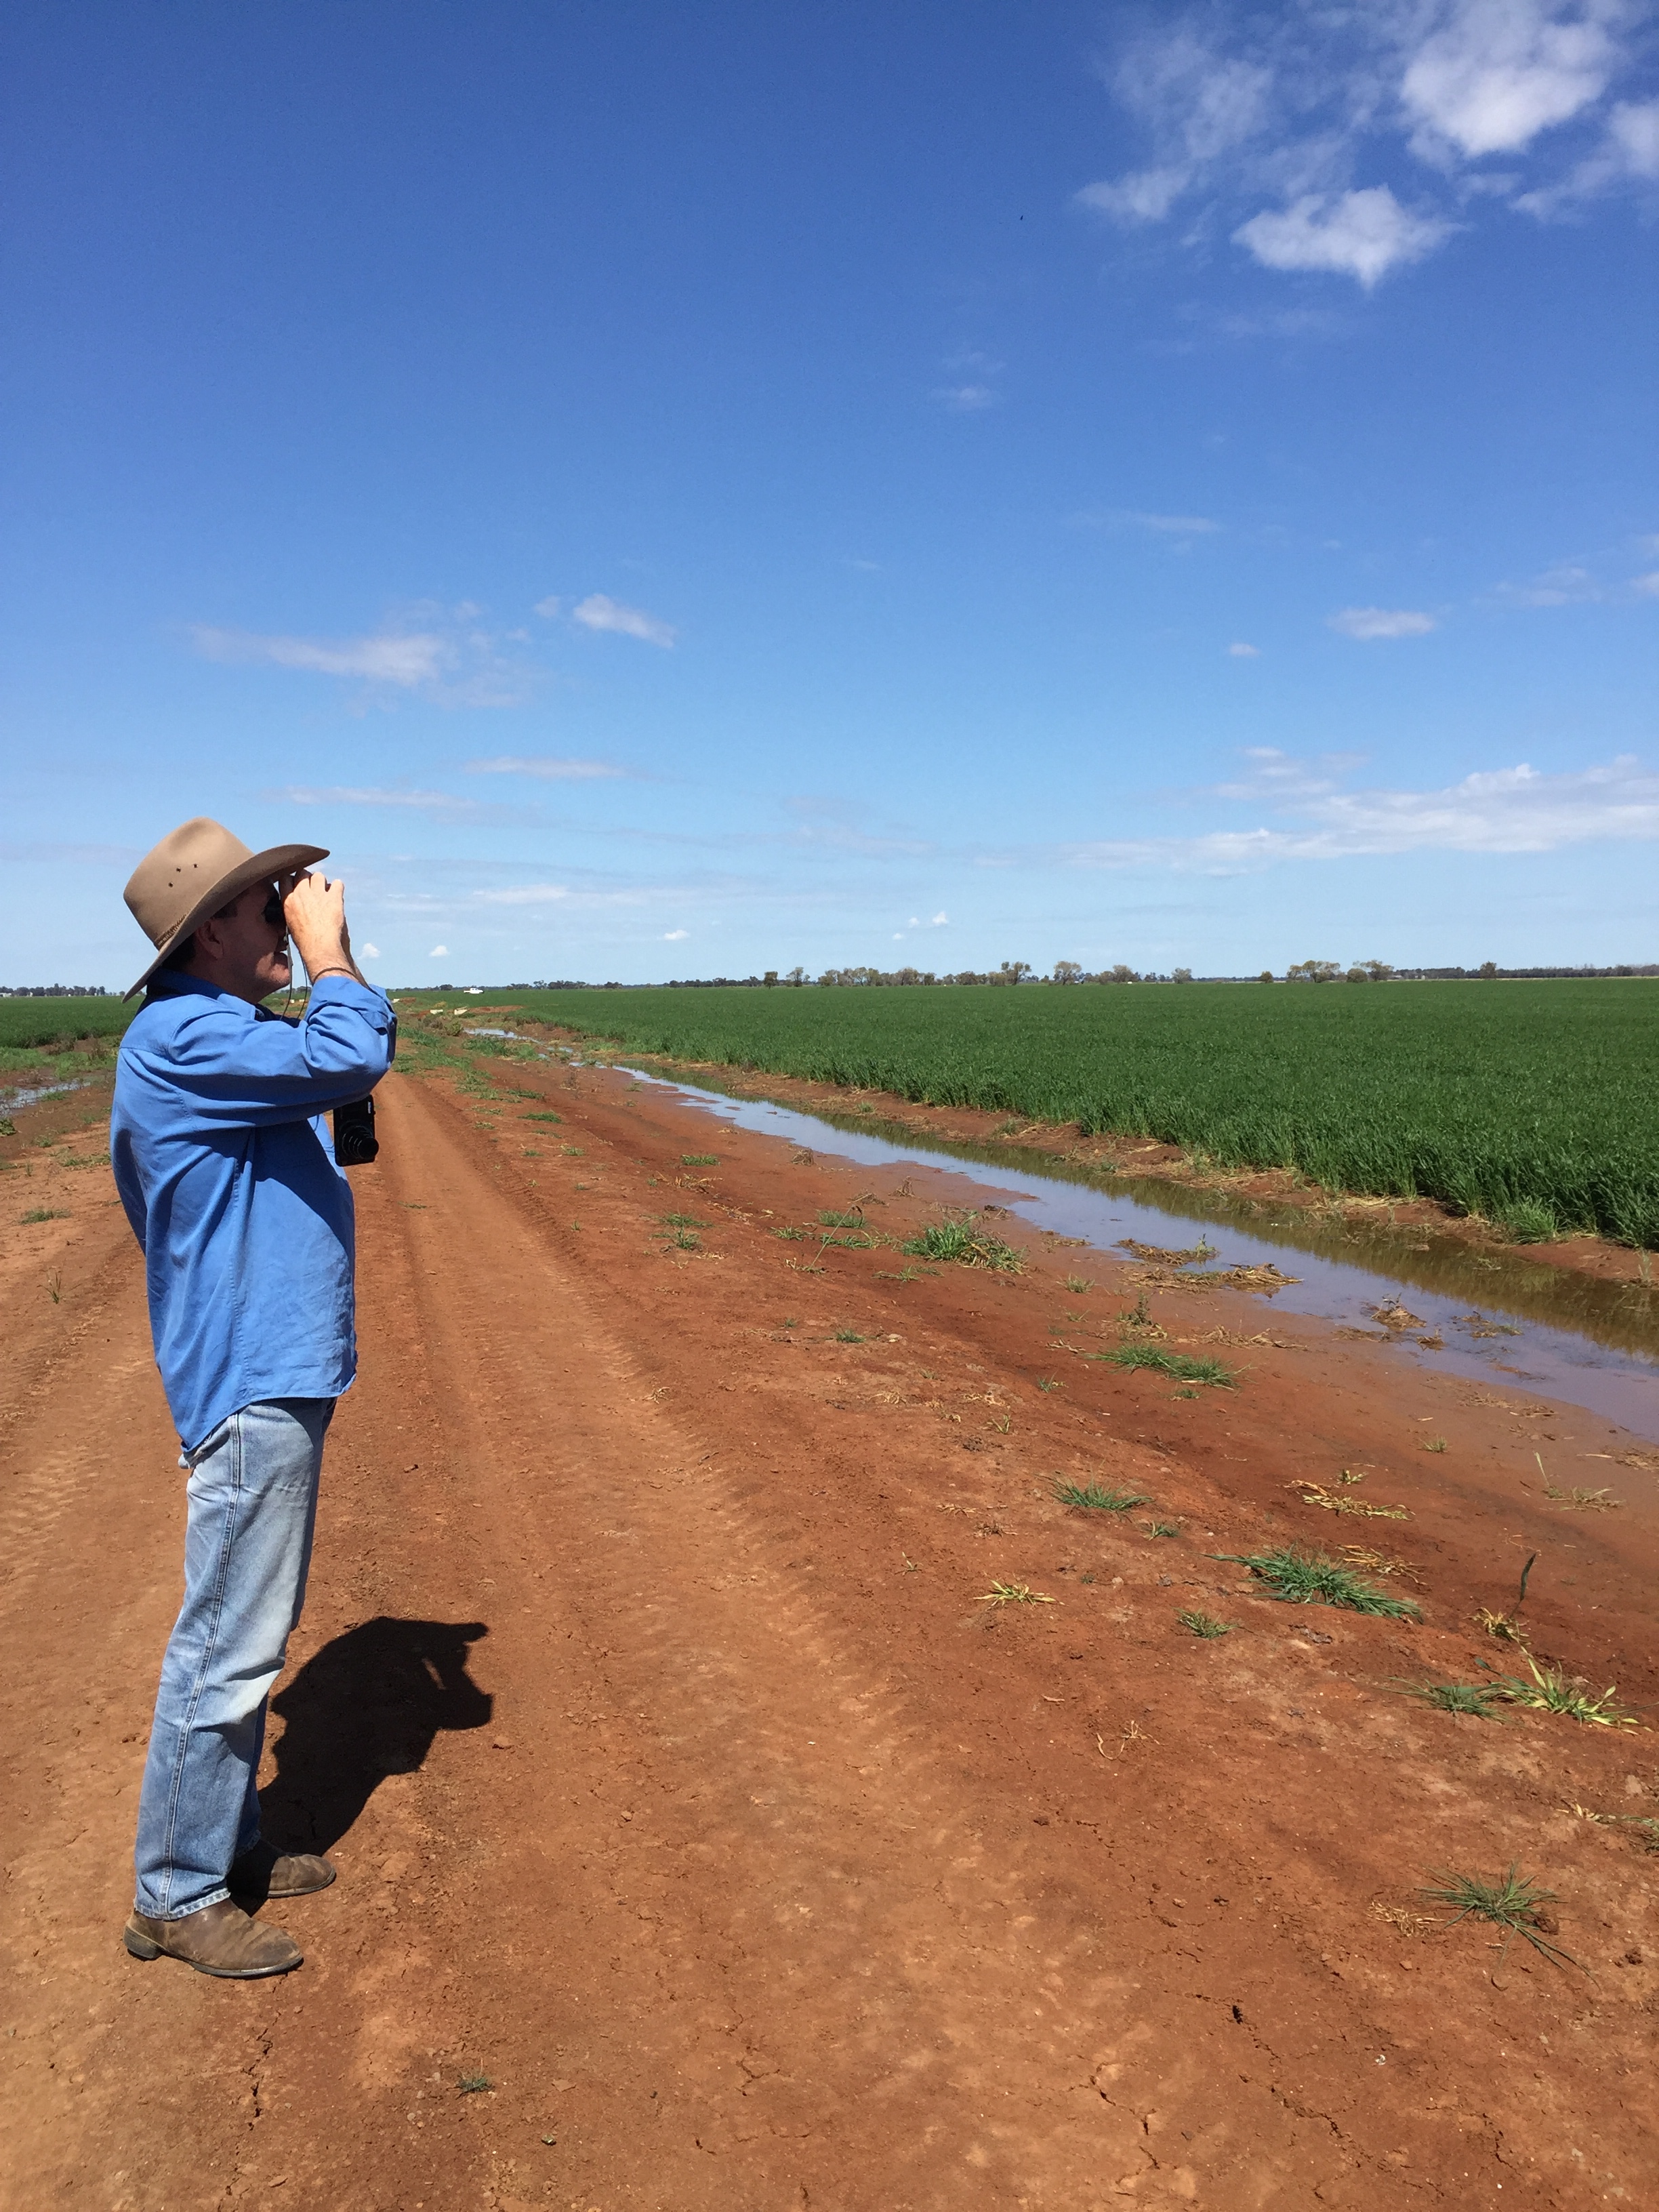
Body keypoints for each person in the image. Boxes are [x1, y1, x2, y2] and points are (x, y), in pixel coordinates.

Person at [110, 817, 395, 1978]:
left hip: (281, 1367)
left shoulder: (224, 1030)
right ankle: (172, 1895)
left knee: (251, 1633)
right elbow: (347, 1057)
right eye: (267, 900)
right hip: (248, 1374)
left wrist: (336, 966)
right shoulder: (180, 1037)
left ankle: (224, 1846)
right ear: (209, 930)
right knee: (226, 1645)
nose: (287, 910)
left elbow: (348, 1069)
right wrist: (330, 959)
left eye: (292, 895)